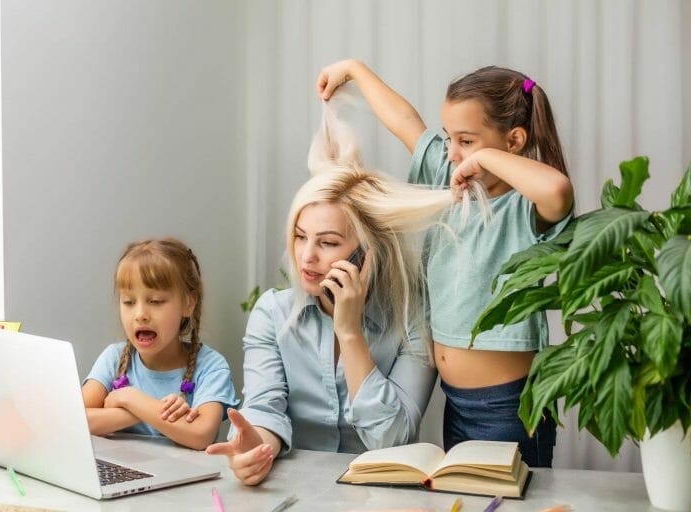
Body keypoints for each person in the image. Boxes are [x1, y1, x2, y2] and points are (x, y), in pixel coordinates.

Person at [316, 60, 575, 467]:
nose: (453, 153)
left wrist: (484, 161)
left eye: (467, 141)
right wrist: (354, 70)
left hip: (508, 408)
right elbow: (404, 120)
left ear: (514, 140)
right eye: (448, 138)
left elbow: (558, 190)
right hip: (457, 405)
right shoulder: (447, 176)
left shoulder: (523, 208)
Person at [205, 96, 473, 485]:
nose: (306, 257)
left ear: (366, 252)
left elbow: (392, 437)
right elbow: (265, 409)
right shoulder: (273, 313)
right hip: (295, 491)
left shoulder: (411, 318)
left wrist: (349, 333)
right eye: (299, 237)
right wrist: (255, 448)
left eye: (327, 242)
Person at [82, 238, 238, 450]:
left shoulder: (210, 366)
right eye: (128, 302)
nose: (140, 315)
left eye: (155, 301)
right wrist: (145, 413)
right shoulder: (114, 358)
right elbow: (76, 420)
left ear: (188, 303)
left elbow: (200, 435)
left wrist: (129, 398)